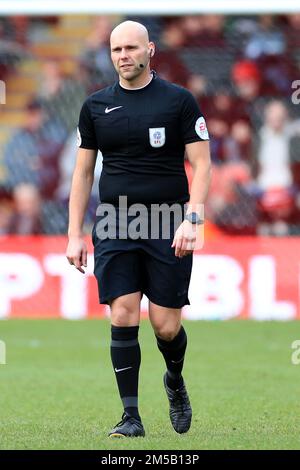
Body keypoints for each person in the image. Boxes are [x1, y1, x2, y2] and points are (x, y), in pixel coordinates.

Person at [66, 20, 211, 438]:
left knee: (166, 326)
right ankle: (131, 417)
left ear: (150, 50)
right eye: (116, 50)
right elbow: (82, 173)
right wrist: (75, 233)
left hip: (168, 221)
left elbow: (201, 164)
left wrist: (193, 219)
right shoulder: (95, 105)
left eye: (131, 48)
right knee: (124, 313)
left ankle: (175, 381)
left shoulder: (179, 101)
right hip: (114, 220)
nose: (123, 56)